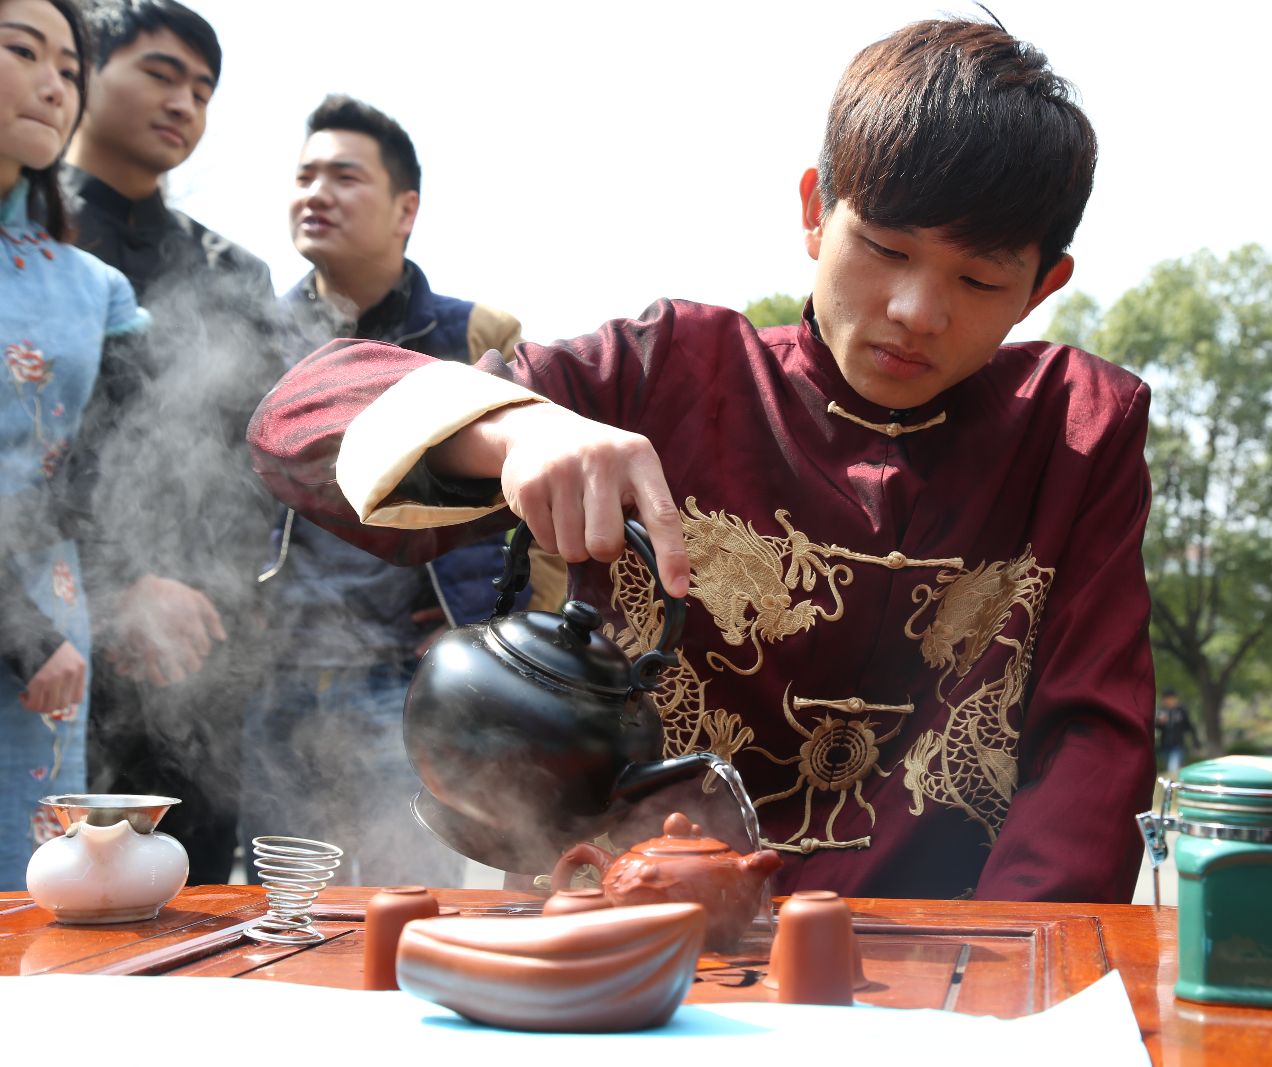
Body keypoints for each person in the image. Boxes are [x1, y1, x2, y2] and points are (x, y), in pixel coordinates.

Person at [250, 19, 1155, 902]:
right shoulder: (665, 375)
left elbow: (1090, 744)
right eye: (886, 248)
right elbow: (296, 419)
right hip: (634, 931)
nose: (916, 310)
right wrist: (515, 432)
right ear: (816, 211)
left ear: (1043, 285)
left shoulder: (1076, 432)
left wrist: (1012, 960)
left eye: (979, 278)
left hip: (947, 947)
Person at [242, 94, 543, 887]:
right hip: (279, 675)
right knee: (283, 915)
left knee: (408, 907)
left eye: (345, 177)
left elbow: (527, 510)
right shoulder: (252, 335)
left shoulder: (474, 335)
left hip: (405, 681)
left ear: (406, 209)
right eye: (304, 176)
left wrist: (483, 634)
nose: (316, 194)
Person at [62, 0, 281, 885]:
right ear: (85, 71)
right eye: (160, 73)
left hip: (198, 640)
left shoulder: (236, 272)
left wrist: (208, 596)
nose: (184, 102)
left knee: (189, 903)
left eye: (203, 89)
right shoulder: (28, 242)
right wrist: (117, 586)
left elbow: (254, 460)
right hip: (45, 631)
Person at [0, 0, 148, 889]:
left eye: (69, 68)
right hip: (31, 630)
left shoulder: (97, 288)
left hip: (50, 622)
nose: (55, 85)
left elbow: (103, 470)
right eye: (23, 51)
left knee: (27, 885)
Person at [1153, 690, 1197, 776]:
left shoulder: (1182, 710)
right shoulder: (1162, 711)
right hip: (1165, 746)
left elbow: (1189, 726)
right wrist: (1159, 722)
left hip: (1178, 746)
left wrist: (1195, 741)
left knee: (1172, 768)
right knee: (1170, 769)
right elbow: (1156, 726)